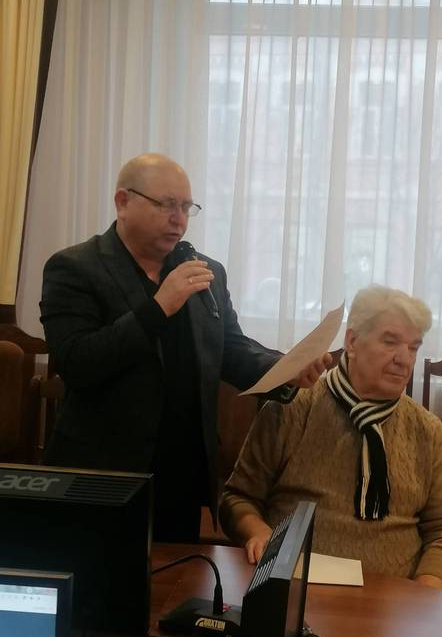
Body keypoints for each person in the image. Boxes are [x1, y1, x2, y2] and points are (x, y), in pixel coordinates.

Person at [40, 153, 329, 543]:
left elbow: (229, 349)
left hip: (181, 476)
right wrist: (159, 307)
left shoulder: (203, 270)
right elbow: (78, 363)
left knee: (176, 577)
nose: (179, 219)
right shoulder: (74, 268)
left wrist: (286, 369)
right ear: (123, 201)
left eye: (186, 207)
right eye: (166, 205)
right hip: (101, 474)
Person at [220, 285, 442, 590]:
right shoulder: (293, 408)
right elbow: (237, 498)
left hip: (396, 600)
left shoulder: (426, 430)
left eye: (413, 347)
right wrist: (257, 533)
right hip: (297, 589)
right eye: (390, 341)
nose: (404, 359)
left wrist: (426, 594)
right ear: (352, 341)